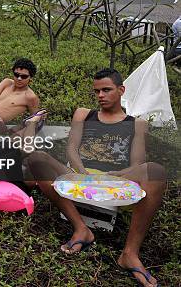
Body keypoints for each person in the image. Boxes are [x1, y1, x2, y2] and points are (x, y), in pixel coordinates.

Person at [26, 68, 166, 287]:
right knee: (36, 158)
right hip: (79, 177)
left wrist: (115, 176)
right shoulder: (83, 114)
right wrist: (81, 173)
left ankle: (129, 254)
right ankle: (81, 228)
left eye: (107, 90)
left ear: (121, 90)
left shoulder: (137, 124)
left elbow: (137, 163)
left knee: (156, 170)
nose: (101, 95)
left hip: (115, 183)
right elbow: (72, 149)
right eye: (97, 91)